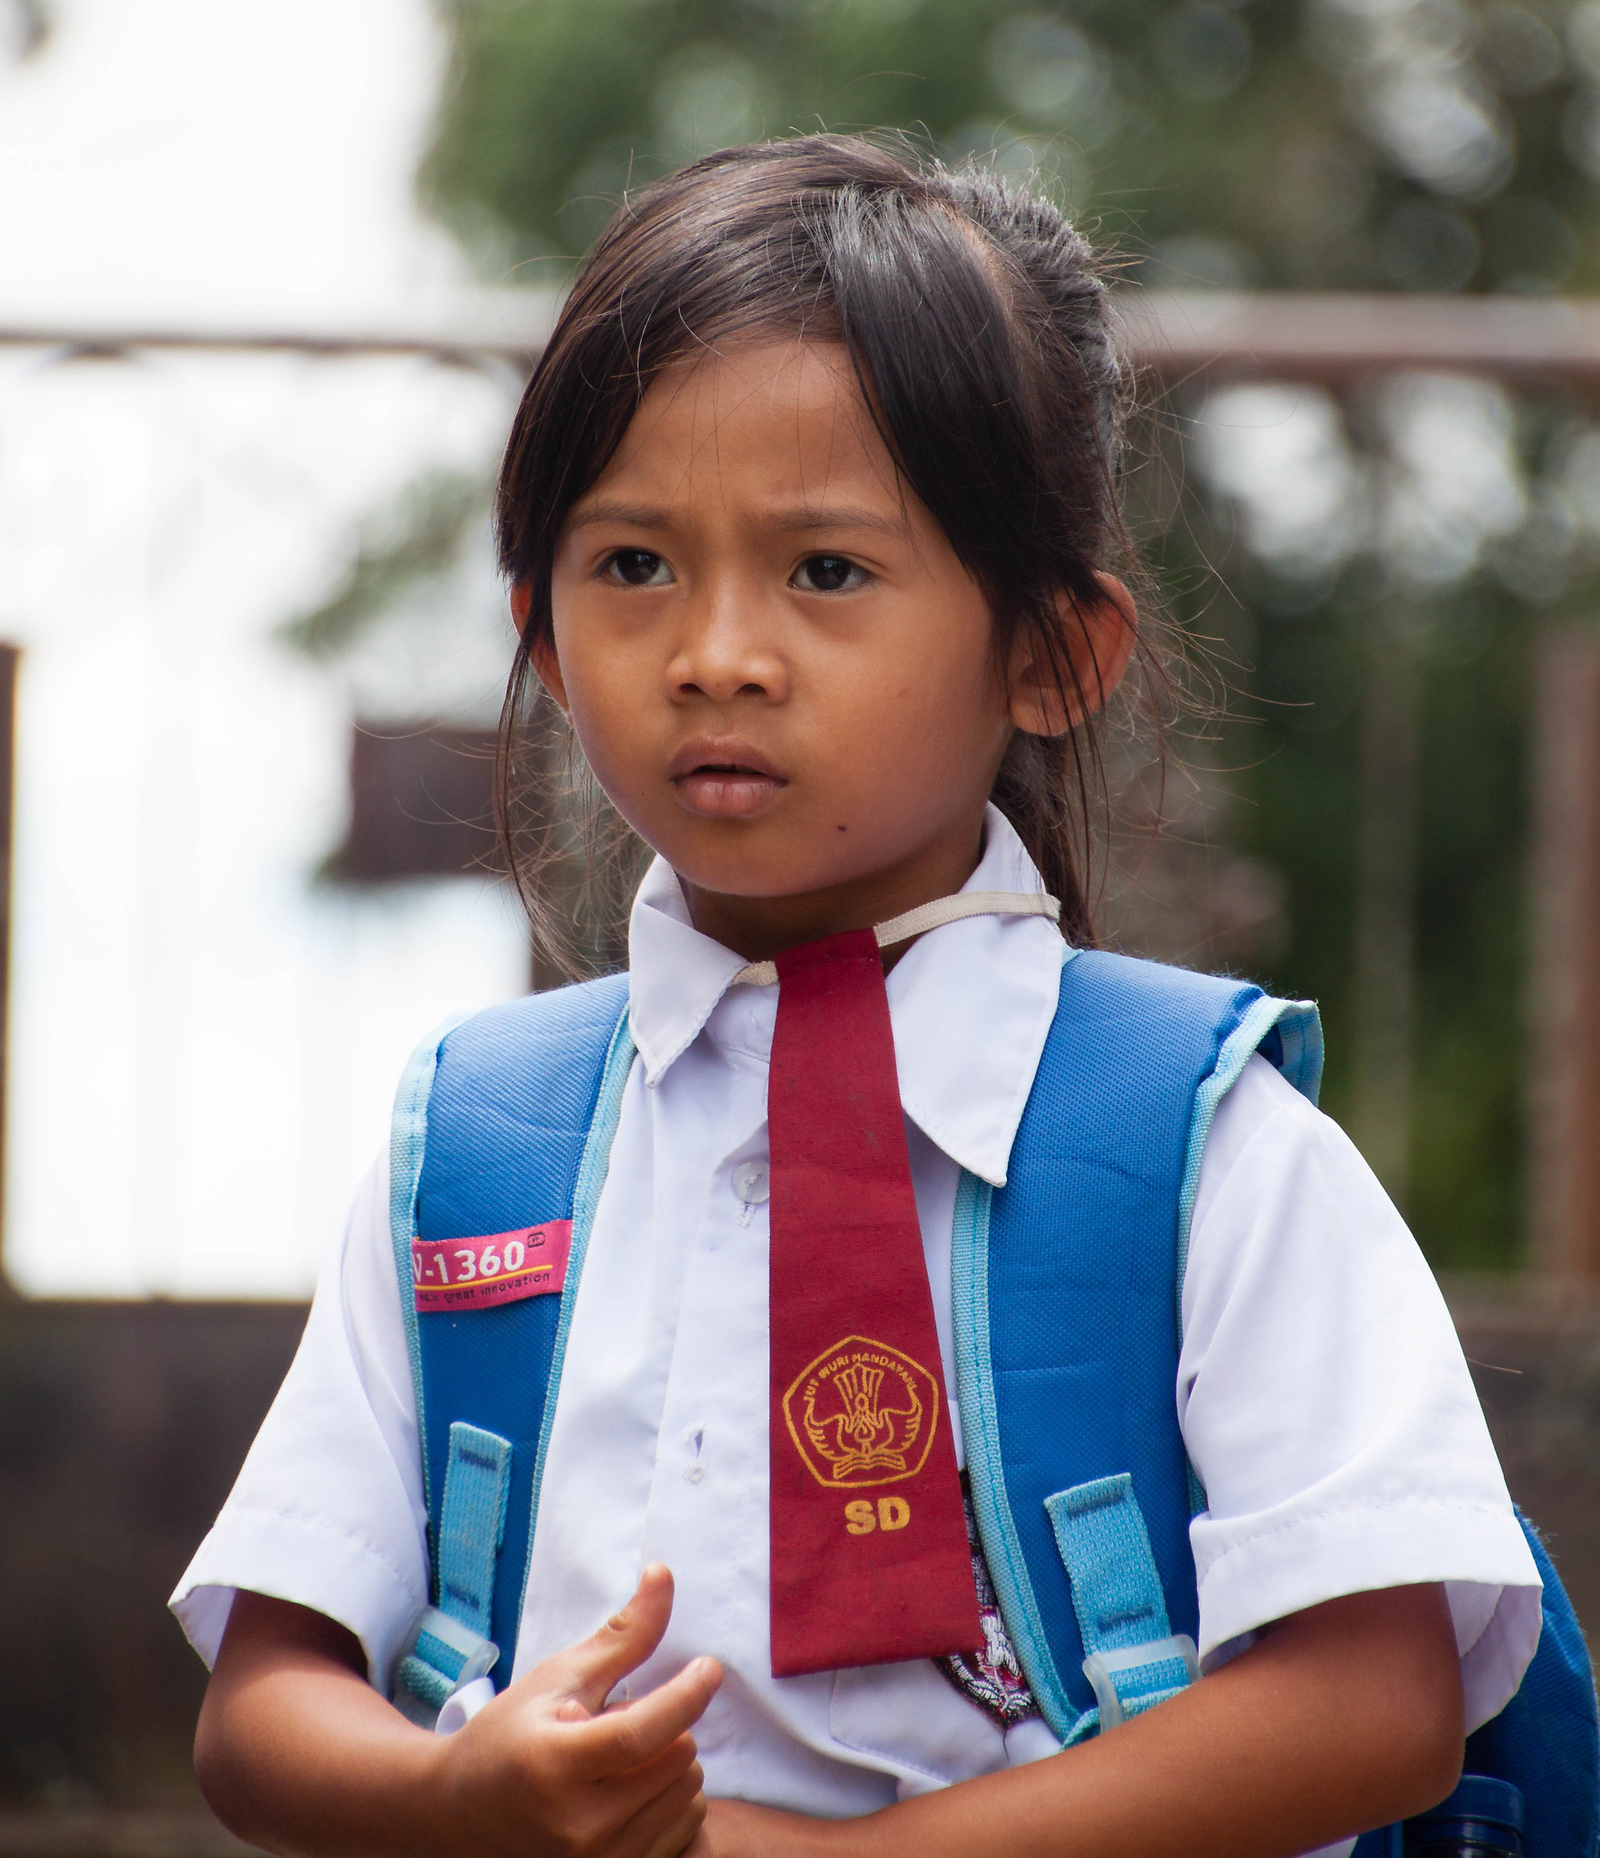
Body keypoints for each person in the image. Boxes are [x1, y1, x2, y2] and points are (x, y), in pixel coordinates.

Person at [173, 135, 1540, 1858]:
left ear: (1049, 654)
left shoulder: (1204, 1145)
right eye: (633, 565)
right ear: (538, 629)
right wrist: (457, 1791)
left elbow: (1380, 1703)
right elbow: (264, 1699)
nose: (716, 650)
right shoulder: (477, 1146)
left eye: (826, 571)